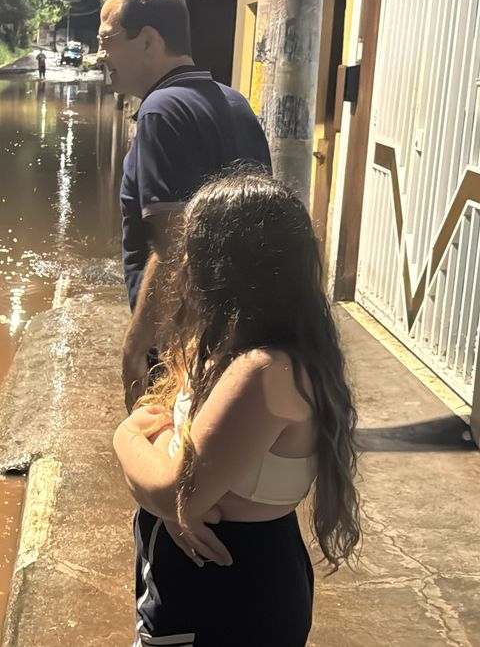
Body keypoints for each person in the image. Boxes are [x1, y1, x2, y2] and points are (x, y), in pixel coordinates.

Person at [112, 171, 361, 645]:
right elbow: (170, 434)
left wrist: (125, 436)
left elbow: (172, 490)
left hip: (227, 592)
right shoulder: (227, 345)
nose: (182, 259)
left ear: (227, 266)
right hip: (207, 578)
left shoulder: (262, 370)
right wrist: (171, 480)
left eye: (194, 247)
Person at [92, 0, 271, 409]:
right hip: (236, 332)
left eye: (107, 39)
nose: (100, 55)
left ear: (148, 40)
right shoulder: (235, 103)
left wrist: (136, 344)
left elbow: (174, 244)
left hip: (179, 344)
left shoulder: (160, 111)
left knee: (169, 460)